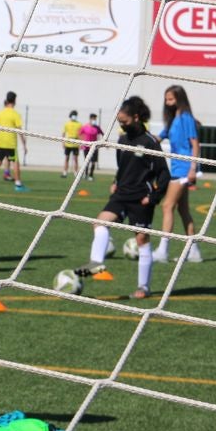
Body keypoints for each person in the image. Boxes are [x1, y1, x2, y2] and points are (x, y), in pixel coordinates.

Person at [72, 96, 171, 299]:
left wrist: (152, 198)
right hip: (121, 194)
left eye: (124, 122)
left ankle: (143, 287)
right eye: (119, 122)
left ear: (136, 117)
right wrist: (116, 180)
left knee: (142, 239)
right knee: (99, 222)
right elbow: (124, 167)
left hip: (141, 198)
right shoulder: (123, 140)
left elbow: (164, 175)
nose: (122, 126)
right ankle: (96, 263)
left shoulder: (150, 142)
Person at [153, 85, 201, 264]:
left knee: (167, 206)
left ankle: (162, 250)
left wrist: (193, 169)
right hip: (176, 168)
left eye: (171, 99)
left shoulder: (186, 118)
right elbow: (158, 138)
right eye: (166, 99)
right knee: (183, 210)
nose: (168, 102)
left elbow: (195, 144)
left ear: (180, 99)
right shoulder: (173, 119)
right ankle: (194, 251)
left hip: (183, 169)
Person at [0, 91, 29, 192]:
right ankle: (18, 184)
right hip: (11, 144)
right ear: (15, 100)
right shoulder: (15, 114)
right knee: (15, 163)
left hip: (0, 143)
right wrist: (24, 145)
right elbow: (20, 131)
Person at [78, 113, 103, 180]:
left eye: (95, 119)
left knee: (93, 162)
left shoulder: (97, 127)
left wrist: (102, 143)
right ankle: (85, 174)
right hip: (86, 147)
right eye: (93, 119)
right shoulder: (85, 127)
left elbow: (102, 134)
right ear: (90, 119)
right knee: (86, 161)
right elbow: (80, 134)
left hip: (94, 148)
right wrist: (81, 143)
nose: (94, 120)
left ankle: (91, 175)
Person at [61, 110, 82, 177]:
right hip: (68, 143)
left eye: (75, 115)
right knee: (67, 158)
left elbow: (81, 134)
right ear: (70, 116)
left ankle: (76, 172)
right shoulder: (67, 124)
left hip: (76, 143)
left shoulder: (79, 124)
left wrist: (80, 143)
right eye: (73, 115)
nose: (74, 116)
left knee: (76, 158)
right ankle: (65, 172)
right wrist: (63, 143)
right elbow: (63, 133)